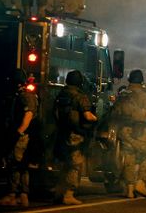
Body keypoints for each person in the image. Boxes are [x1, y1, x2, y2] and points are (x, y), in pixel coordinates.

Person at [54, 70, 97, 205]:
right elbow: (87, 116)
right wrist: (97, 119)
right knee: (75, 164)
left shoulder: (61, 94)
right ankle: (69, 194)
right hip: (75, 135)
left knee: (65, 164)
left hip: (62, 133)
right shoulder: (80, 96)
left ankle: (59, 192)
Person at [0, 70, 38, 207]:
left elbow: (28, 115)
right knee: (22, 166)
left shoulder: (24, 96)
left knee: (14, 164)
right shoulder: (24, 96)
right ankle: (23, 196)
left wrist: (18, 132)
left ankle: (12, 195)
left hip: (21, 137)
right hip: (23, 136)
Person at [115, 69, 146, 198]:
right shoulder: (145, 95)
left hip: (124, 130)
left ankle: (129, 189)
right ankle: (141, 183)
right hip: (140, 130)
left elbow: (116, 111)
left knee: (129, 159)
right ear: (141, 80)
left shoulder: (123, 94)